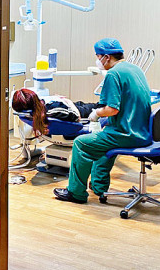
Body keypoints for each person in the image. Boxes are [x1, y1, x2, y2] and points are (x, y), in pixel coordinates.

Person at [53, 38, 152, 204]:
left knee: (81, 143)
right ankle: (99, 186)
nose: (98, 61)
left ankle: (76, 193)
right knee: (103, 137)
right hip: (142, 131)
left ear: (107, 57)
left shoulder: (113, 74)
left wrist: (96, 113)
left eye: (98, 57)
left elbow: (112, 109)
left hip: (127, 134)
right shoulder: (134, 69)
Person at [11, 88, 99, 137]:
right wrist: (68, 101)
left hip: (64, 108)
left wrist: (55, 98)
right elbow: (77, 117)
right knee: (99, 106)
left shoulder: (25, 114)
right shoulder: (53, 110)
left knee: (81, 103)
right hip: (77, 111)